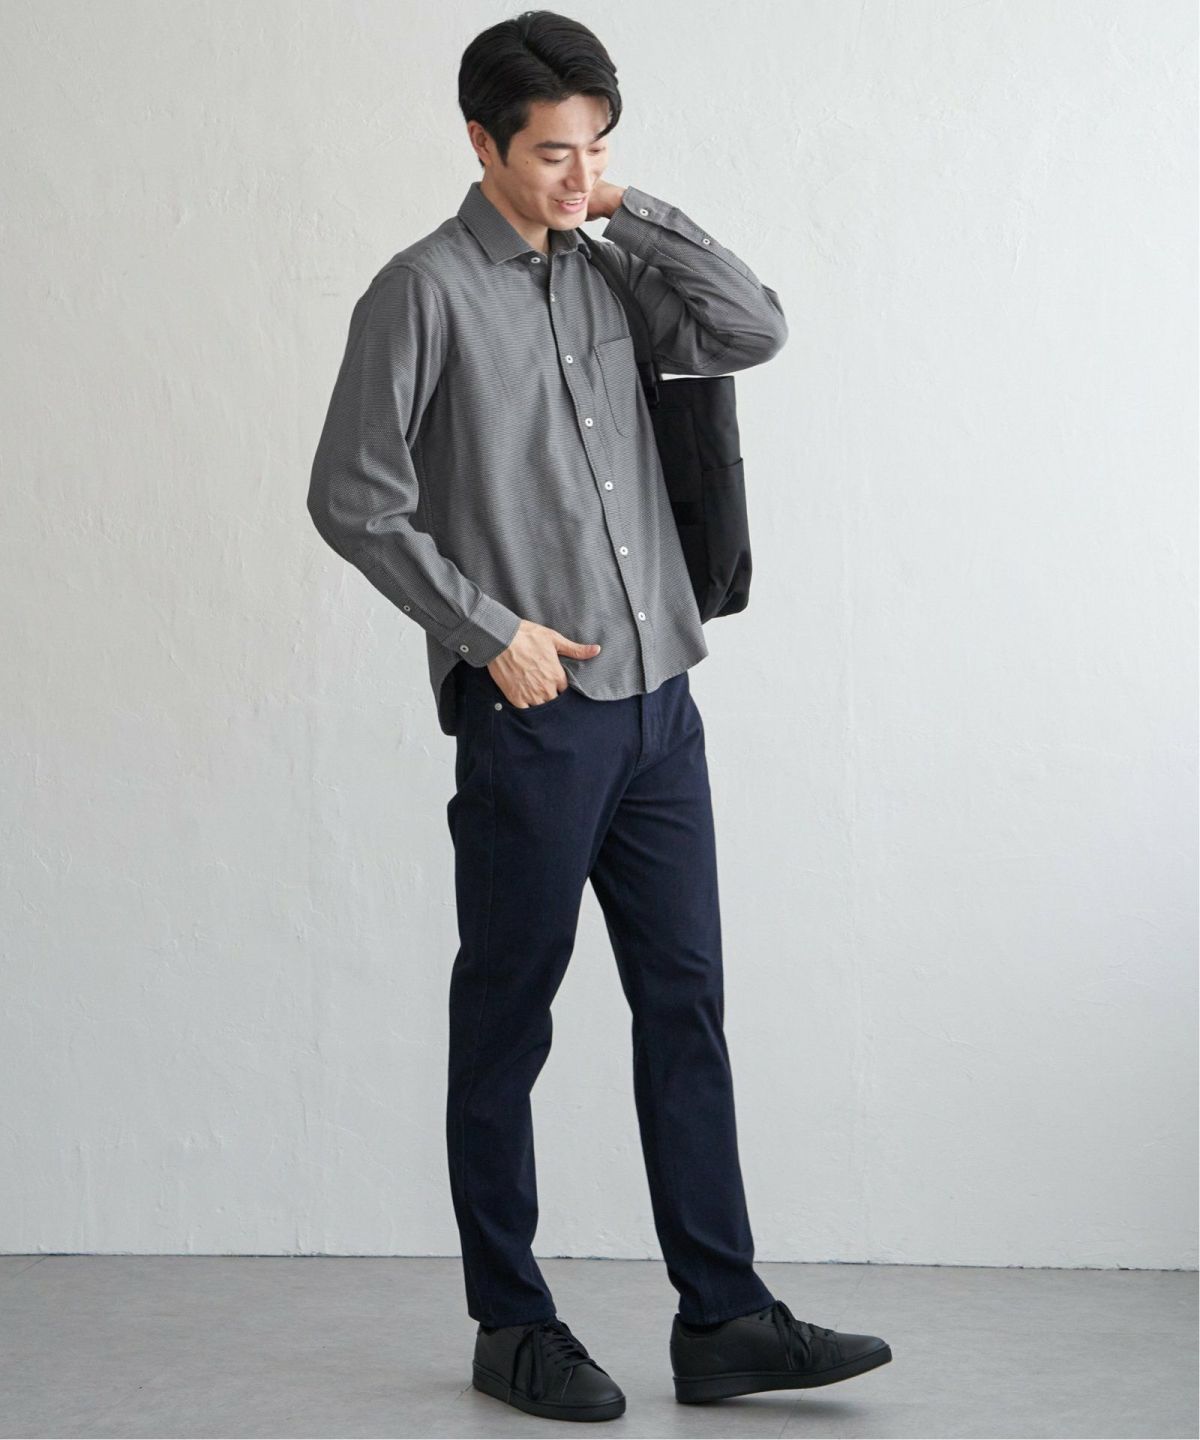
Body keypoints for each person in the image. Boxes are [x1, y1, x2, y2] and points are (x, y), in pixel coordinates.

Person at [307, 8, 892, 1424]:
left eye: (597, 148)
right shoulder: (421, 293)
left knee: (685, 1004)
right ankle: (511, 1323)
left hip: (660, 705)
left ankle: (724, 1317)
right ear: (480, 144)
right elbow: (352, 497)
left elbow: (754, 327)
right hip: (542, 716)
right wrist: (487, 632)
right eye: (552, 154)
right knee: (508, 1018)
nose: (578, 176)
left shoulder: (611, 269)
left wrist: (630, 207)